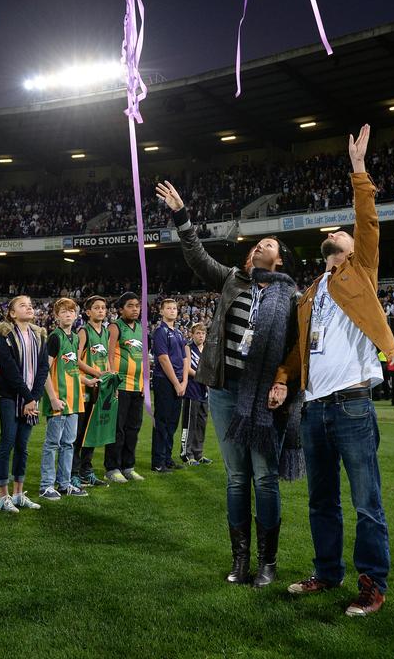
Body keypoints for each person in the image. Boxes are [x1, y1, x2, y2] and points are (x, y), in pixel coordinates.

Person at [272, 125, 394, 617]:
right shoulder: (311, 293)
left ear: (349, 249)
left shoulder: (360, 272)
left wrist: (359, 171)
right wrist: (283, 379)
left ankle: (372, 584)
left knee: (367, 501)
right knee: (321, 500)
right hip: (314, 408)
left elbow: (368, 223)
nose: (336, 231)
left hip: (352, 403)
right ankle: (327, 573)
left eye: (342, 233)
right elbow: (302, 350)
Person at [156, 180, 303, 590]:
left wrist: (281, 382)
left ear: (280, 259)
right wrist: (182, 215)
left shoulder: (291, 296)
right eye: (259, 243)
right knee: (237, 477)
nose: (261, 246)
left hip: (262, 397)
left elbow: (294, 348)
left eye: (270, 243)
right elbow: (196, 255)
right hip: (223, 390)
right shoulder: (233, 281)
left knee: (265, 477)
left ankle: (268, 563)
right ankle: (240, 560)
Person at [0, 295, 49, 514]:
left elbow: (43, 368)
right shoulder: (5, 335)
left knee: (23, 448)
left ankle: (18, 494)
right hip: (10, 397)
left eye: (30, 305)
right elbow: (10, 370)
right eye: (22, 305)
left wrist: (33, 398)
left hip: (30, 399)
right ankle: (3, 496)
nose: (29, 308)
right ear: (12, 313)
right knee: (7, 443)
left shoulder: (40, 335)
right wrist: (28, 397)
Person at [39, 297, 88, 500]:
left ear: (76, 315)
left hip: (74, 401)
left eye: (71, 311)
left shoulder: (75, 338)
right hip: (58, 400)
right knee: (53, 444)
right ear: (56, 316)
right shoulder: (55, 337)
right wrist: (52, 398)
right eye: (64, 312)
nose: (68, 314)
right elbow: (44, 370)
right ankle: (46, 486)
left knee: (69, 444)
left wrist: (87, 381)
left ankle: (64, 483)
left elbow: (72, 369)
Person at [104, 292, 145, 484]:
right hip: (121, 386)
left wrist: (145, 384)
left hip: (137, 387)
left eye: (137, 305)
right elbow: (109, 357)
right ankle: (112, 468)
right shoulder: (115, 327)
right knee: (117, 429)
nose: (135, 309)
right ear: (121, 309)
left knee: (133, 429)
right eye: (130, 305)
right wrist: (113, 384)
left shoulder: (141, 329)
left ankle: (128, 466)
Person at [71, 296, 111, 489]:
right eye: (96, 308)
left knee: (92, 432)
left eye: (103, 308)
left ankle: (87, 471)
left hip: (100, 388)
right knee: (79, 433)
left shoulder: (105, 331)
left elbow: (107, 360)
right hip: (84, 388)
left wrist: (110, 380)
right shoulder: (83, 331)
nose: (101, 311)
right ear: (88, 312)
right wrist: (95, 372)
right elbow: (75, 360)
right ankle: (73, 473)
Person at [151, 299, 189, 473]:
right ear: (161, 311)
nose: (172, 311)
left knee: (173, 422)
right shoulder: (160, 332)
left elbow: (185, 359)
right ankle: (158, 461)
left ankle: (167, 458)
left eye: (174, 308)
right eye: (168, 308)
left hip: (179, 382)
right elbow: (163, 359)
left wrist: (184, 382)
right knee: (162, 421)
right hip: (165, 381)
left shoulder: (179, 333)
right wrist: (176, 383)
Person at [180, 322, 211, 466]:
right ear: (192, 335)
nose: (200, 336)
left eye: (203, 333)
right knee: (189, 424)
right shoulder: (188, 347)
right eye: (198, 333)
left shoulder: (208, 349)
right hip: (192, 390)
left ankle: (198, 453)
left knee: (201, 424)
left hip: (204, 392)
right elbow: (187, 368)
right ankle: (187, 454)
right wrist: (202, 377)